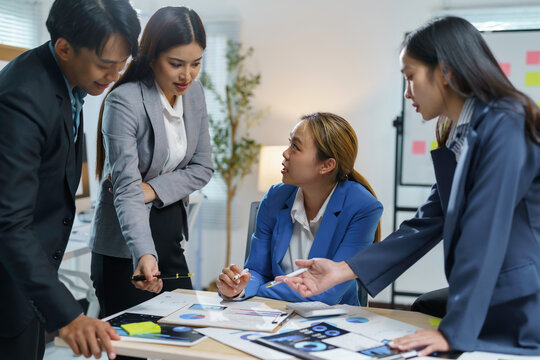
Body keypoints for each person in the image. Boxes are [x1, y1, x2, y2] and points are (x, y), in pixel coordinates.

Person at [279, 16, 540, 356]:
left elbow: (485, 230)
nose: (407, 92)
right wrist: (341, 270)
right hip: (493, 294)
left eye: (410, 77)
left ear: (444, 72)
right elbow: (425, 223)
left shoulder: (506, 123)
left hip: (522, 304)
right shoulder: (458, 133)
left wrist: (455, 331)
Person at [0, 0, 140, 359]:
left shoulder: (68, 83)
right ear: (64, 47)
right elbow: (9, 223)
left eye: (121, 64)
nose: (113, 77)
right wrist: (69, 315)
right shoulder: (22, 98)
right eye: (105, 65)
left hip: (26, 291)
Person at [89, 6, 213, 342]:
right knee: (131, 347)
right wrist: (143, 253)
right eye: (176, 63)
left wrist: (153, 189)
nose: (187, 74)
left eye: (196, 63)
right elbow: (127, 190)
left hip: (170, 238)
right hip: (124, 248)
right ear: (151, 55)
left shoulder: (196, 95)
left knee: (187, 340)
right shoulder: (124, 102)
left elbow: (203, 167)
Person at [217, 112, 383, 305]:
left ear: (327, 165)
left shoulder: (363, 207)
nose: (285, 153)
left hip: (332, 322)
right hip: (273, 315)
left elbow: (328, 293)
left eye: (295, 147)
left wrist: (257, 291)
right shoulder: (275, 197)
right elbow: (257, 270)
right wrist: (239, 287)